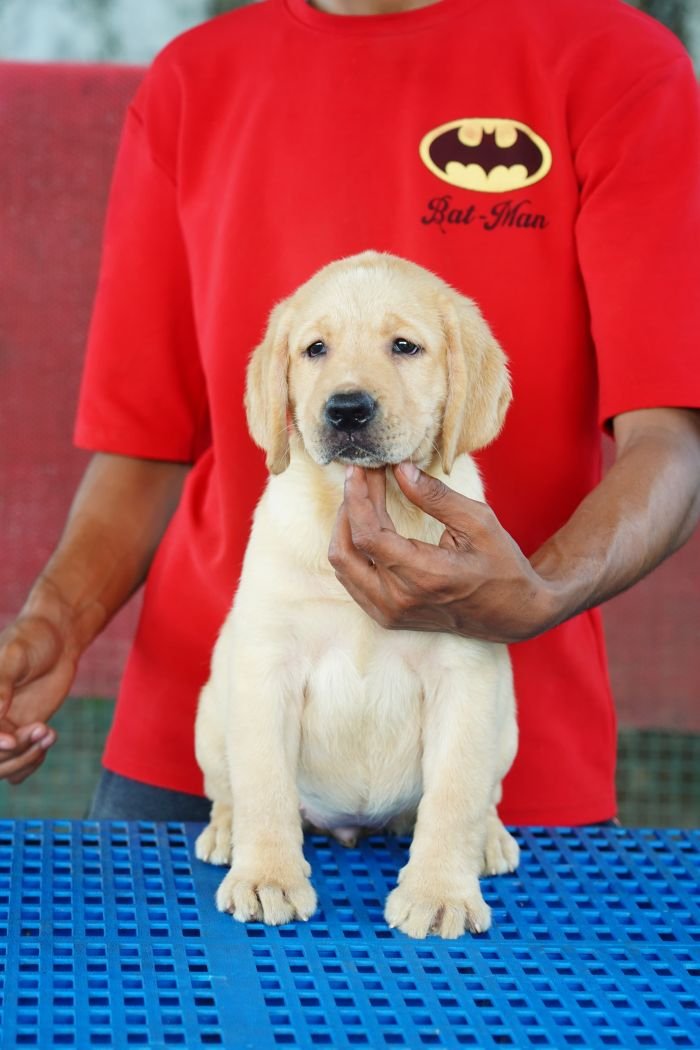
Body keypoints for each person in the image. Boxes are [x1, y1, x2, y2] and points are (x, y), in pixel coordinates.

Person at [0, 0, 699, 825]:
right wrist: (52, 627)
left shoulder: (614, 60)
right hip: (222, 752)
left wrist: (540, 592)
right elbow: (145, 449)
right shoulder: (192, 81)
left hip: (491, 765)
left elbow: (673, 440)